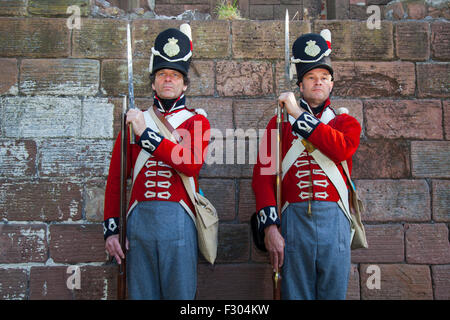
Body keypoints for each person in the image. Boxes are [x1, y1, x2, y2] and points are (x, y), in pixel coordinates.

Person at [103, 24, 211, 300]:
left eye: (175, 75)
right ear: (153, 82)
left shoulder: (196, 120)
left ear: (185, 84)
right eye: (162, 74)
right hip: (139, 222)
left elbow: (190, 163)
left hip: (179, 219)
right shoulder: (134, 120)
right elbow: (116, 179)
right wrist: (112, 230)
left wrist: (146, 136)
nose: (168, 80)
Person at [252, 30, 361, 300]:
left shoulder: (345, 123)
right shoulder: (278, 125)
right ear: (300, 85)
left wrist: (296, 113)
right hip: (293, 220)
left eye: (324, 78)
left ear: (332, 84)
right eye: (311, 77)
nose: (318, 83)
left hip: (335, 220)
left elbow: (340, 148)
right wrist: (271, 228)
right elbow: (263, 178)